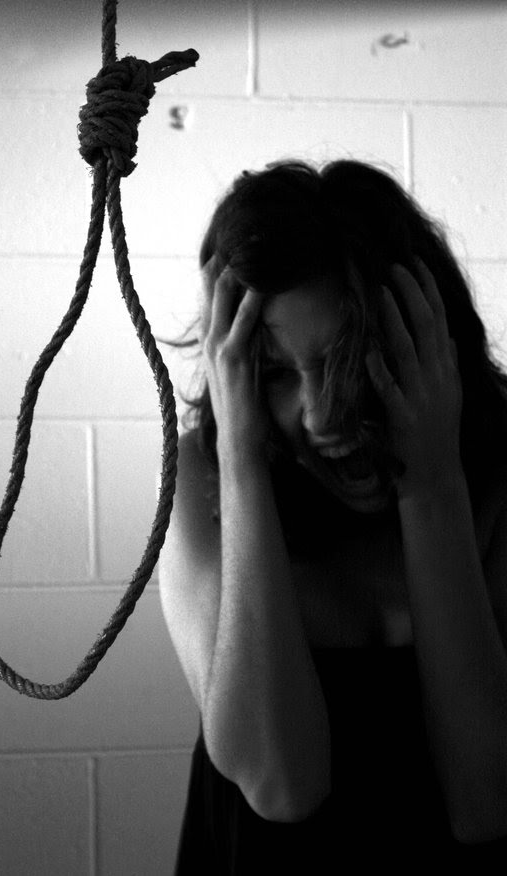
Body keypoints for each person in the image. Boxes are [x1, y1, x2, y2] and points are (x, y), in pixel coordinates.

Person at [158, 159, 507, 872]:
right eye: (276, 372)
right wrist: (243, 461)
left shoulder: (502, 472)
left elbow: (487, 803)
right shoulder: (203, 474)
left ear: (428, 340)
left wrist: (431, 484)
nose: (320, 416)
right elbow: (282, 787)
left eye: (350, 359)